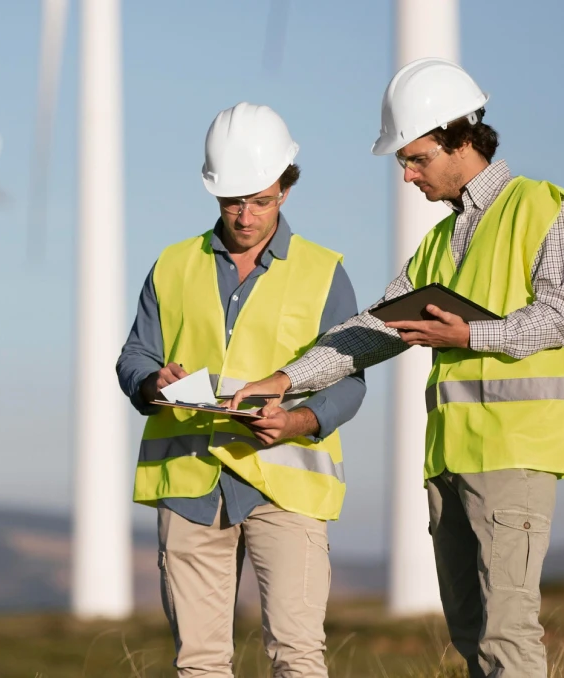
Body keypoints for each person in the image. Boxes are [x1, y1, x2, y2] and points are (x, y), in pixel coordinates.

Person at [230, 58, 564, 677]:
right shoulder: (439, 241)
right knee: (472, 632)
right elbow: (375, 329)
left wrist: (469, 333)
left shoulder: (539, 207)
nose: (406, 175)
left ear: (460, 139)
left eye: (416, 158)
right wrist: (286, 380)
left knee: (508, 631)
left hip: (517, 454)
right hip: (452, 457)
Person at [116, 102, 367, 678]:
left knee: (298, 657)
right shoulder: (172, 266)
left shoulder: (324, 271)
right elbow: (135, 355)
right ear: (213, 191)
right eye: (233, 201)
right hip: (189, 483)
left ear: (286, 187)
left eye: (260, 200)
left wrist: (300, 421)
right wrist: (152, 381)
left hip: (286, 484)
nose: (246, 215)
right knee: (199, 663)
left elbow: (350, 379)